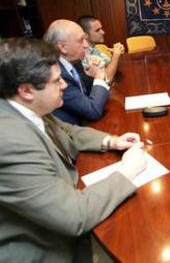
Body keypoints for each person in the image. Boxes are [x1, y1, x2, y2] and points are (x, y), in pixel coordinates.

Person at [0, 38, 146, 262]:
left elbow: (67, 131)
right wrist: (127, 171)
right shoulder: (10, 141)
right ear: (27, 90)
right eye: (57, 81)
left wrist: (112, 141)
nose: (64, 85)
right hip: (45, 249)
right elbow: (75, 216)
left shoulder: (22, 106)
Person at [44, 19, 110, 125]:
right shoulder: (56, 75)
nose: (86, 45)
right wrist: (99, 76)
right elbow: (93, 111)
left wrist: (94, 76)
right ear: (63, 47)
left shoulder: (74, 62)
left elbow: (91, 96)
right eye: (81, 40)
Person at [77, 15, 124, 88]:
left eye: (101, 29)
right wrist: (115, 56)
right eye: (97, 30)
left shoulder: (94, 48)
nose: (103, 32)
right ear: (85, 35)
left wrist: (116, 53)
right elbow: (107, 80)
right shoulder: (82, 55)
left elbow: (109, 66)